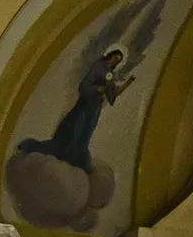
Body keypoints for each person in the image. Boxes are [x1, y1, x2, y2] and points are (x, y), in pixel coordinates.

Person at [16, 43, 130, 172]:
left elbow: (112, 93)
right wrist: (98, 89)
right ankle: (45, 153)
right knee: (74, 131)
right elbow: (84, 86)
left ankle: (73, 164)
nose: (115, 61)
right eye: (115, 57)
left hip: (94, 109)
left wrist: (127, 83)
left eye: (118, 61)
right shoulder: (98, 67)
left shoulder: (110, 74)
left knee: (85, 135)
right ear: (111, 55)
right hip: (84, 106)